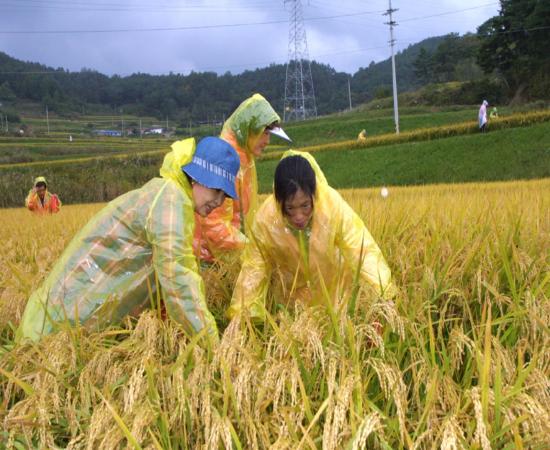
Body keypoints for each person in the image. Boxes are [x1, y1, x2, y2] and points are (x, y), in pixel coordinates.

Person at [16, 137, 240, 343]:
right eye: (217, 190)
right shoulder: (172, 202)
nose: (219, 201)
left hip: (76, 302)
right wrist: (212, 343)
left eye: (225, 195)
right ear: (196, 178)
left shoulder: (168, 194)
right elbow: (178, 279)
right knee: (52, 346)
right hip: (71, 312)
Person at [227, 150, 395, 321]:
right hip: (294, 305)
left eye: (305, 206)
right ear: (279, 201)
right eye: (290, 208)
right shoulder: (266, 220)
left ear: (314, 194)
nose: (299, 216)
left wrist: (383, 293)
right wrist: (241, 316)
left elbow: (361, 248)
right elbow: (253, 269)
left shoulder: (331, 207)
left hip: (336, 295)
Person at [194, 93, 292, 262]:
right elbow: (212, 224)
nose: (267, 141)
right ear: (250, 128)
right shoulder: (225, 159)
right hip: (209, 260)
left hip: (229, 255)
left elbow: (243, 214)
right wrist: (253, 250)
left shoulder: (245, 159)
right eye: (265, 133)